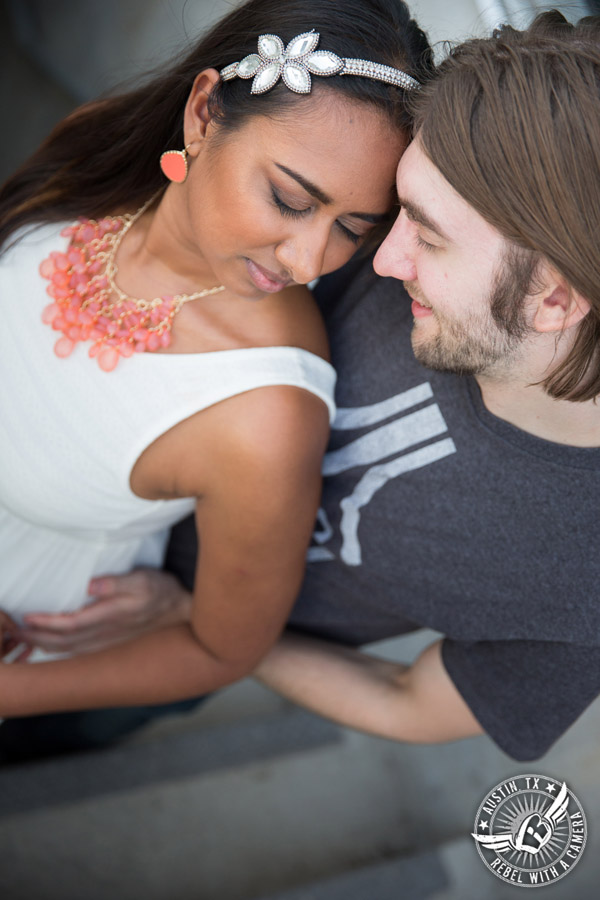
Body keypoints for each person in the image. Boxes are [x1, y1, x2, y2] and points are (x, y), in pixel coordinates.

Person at [18, 9, 600, 765]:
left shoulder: (581, 575)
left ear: (553, 299)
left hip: (128, 636)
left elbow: (411, 702)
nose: (372, 261)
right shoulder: (382, 263)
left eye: (422, 234)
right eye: (391, 216)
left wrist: (204, 624)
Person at [0, 0, 434, 739]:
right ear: (203, 113)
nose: (308, 263)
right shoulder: (100, 153)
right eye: (290, 199)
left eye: (353, 230)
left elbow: (222, 646)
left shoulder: (265, 413)